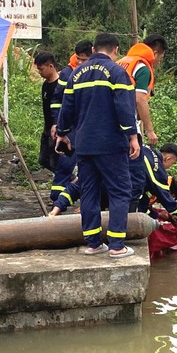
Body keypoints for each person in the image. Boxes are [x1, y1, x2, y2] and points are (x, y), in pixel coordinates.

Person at [56, 32, 139, 258]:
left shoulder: (76, 74)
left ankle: (93, 244)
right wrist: (133, 136)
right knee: (120, 191)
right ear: (116, 50)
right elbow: (124, 108)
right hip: (111, 144)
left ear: (93, 49)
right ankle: (117, 246)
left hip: (84, 145)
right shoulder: (117, 72)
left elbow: (67, 107)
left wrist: (62, 133)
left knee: (89, 192)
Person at [118, 34, 168, 212]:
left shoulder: (122, 62)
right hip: (127, 128)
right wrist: (150, 130)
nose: (159, 61)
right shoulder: (142, 68)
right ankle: (128, 222)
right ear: (155, 53)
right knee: (136, 177)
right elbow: (139, 99)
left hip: (110, 126)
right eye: (161, 57)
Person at [49, 40, 93, 201]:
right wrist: (58, 124)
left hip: (87, 125)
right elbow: (58, 100)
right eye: (79, 58)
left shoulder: (95, 72)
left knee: (86, 162)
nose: (81, 62)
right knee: (66, 160)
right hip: (72, 126)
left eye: (84, 59)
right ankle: (57, 195)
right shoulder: (68, 73)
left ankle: (77, 192)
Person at [34, 52, 60, 173]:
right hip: (47, 128)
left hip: (57, 129)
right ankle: (71, 180)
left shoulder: (61, 85)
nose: (40, 72)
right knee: (43, 160)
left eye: (41, 69)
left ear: (51, 66)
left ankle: (72, 183)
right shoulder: (45, 85)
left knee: (56, 162)